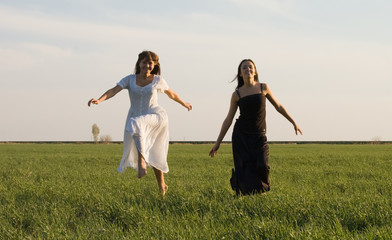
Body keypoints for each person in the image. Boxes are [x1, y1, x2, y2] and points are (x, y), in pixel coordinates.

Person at [88, 50, 192, 196]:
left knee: (135, 124)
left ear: (154, 65)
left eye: (150, 63)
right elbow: (113, 90)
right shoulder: (130, 79)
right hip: (137, 116)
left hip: (155, 116)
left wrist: (183, 103)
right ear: (139, 63)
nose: (147, 65)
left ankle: (141, 163)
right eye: (144, 62)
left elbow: (171, 93)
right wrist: (99, 99)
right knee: (153, 149)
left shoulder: (157, 80)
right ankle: (162, 185)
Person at [209, 59, 302, 195]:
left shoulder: (263, 88)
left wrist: (293, 122)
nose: (248, 70)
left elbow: (278, 106)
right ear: (240, 74)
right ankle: (248, 193)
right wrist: (218, 143)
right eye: (244, 68)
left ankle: (262, 190)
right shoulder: (237, 94)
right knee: (245, 168)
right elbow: (228, 119)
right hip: (241, 136)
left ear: (255, 71)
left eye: (250, 67)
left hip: (259, 135)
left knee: (263, 166)